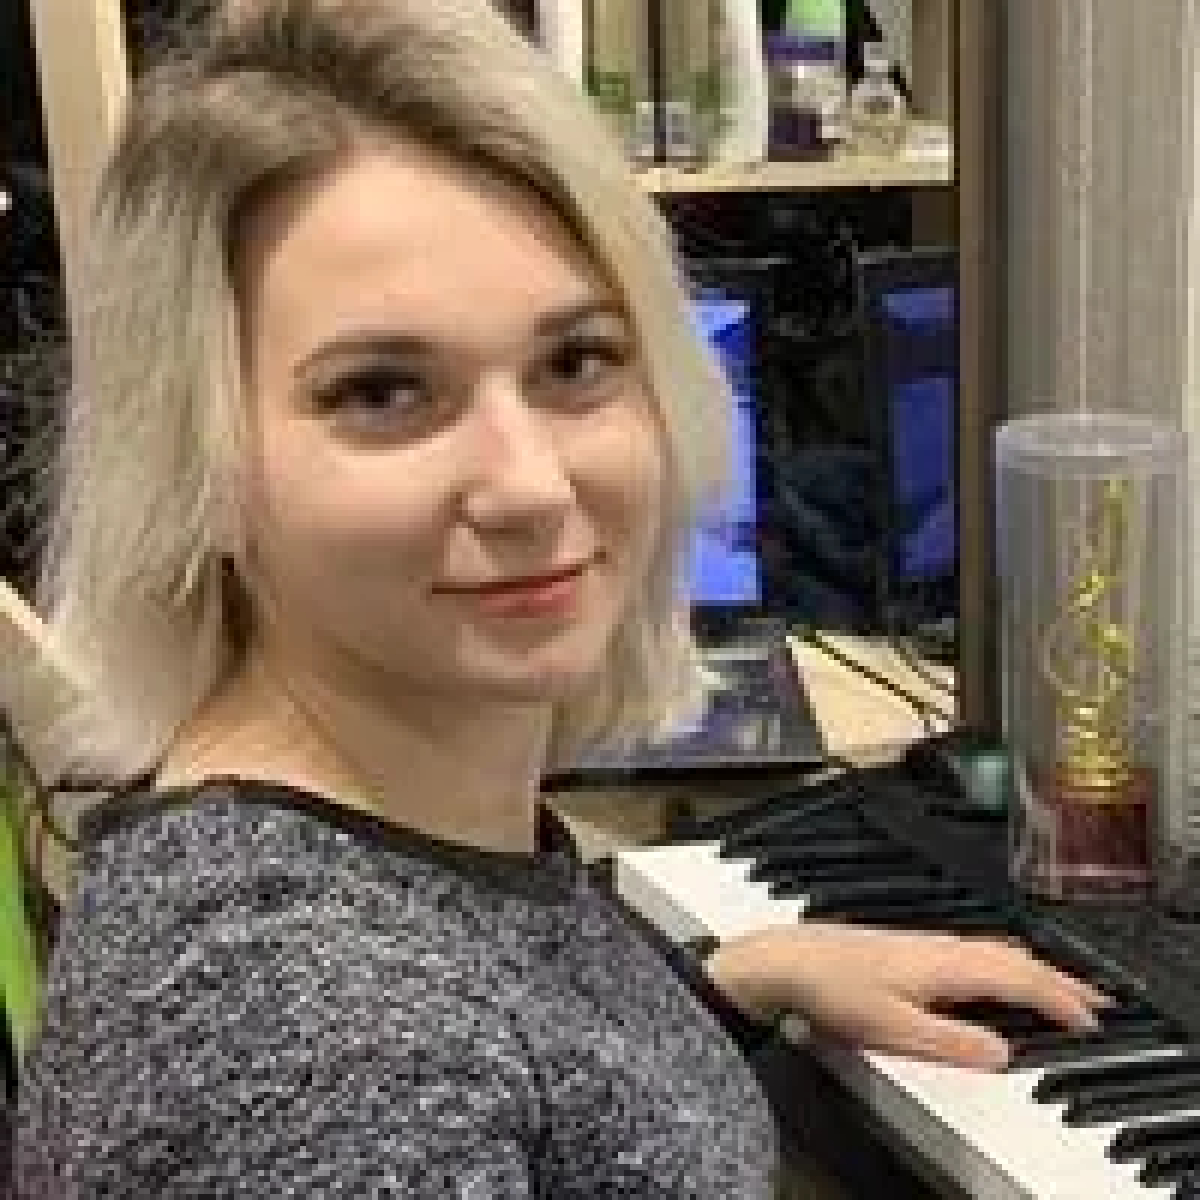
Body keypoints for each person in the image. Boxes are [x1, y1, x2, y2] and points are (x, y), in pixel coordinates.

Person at [16, 2, 1107, 1196]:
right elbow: (374, 1073)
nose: (532, 485)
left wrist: (720, 985)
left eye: (576, 361)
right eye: (382, 392)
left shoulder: (387, 857)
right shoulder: (300, 1048)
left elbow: (482, 1023)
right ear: (198, 466)